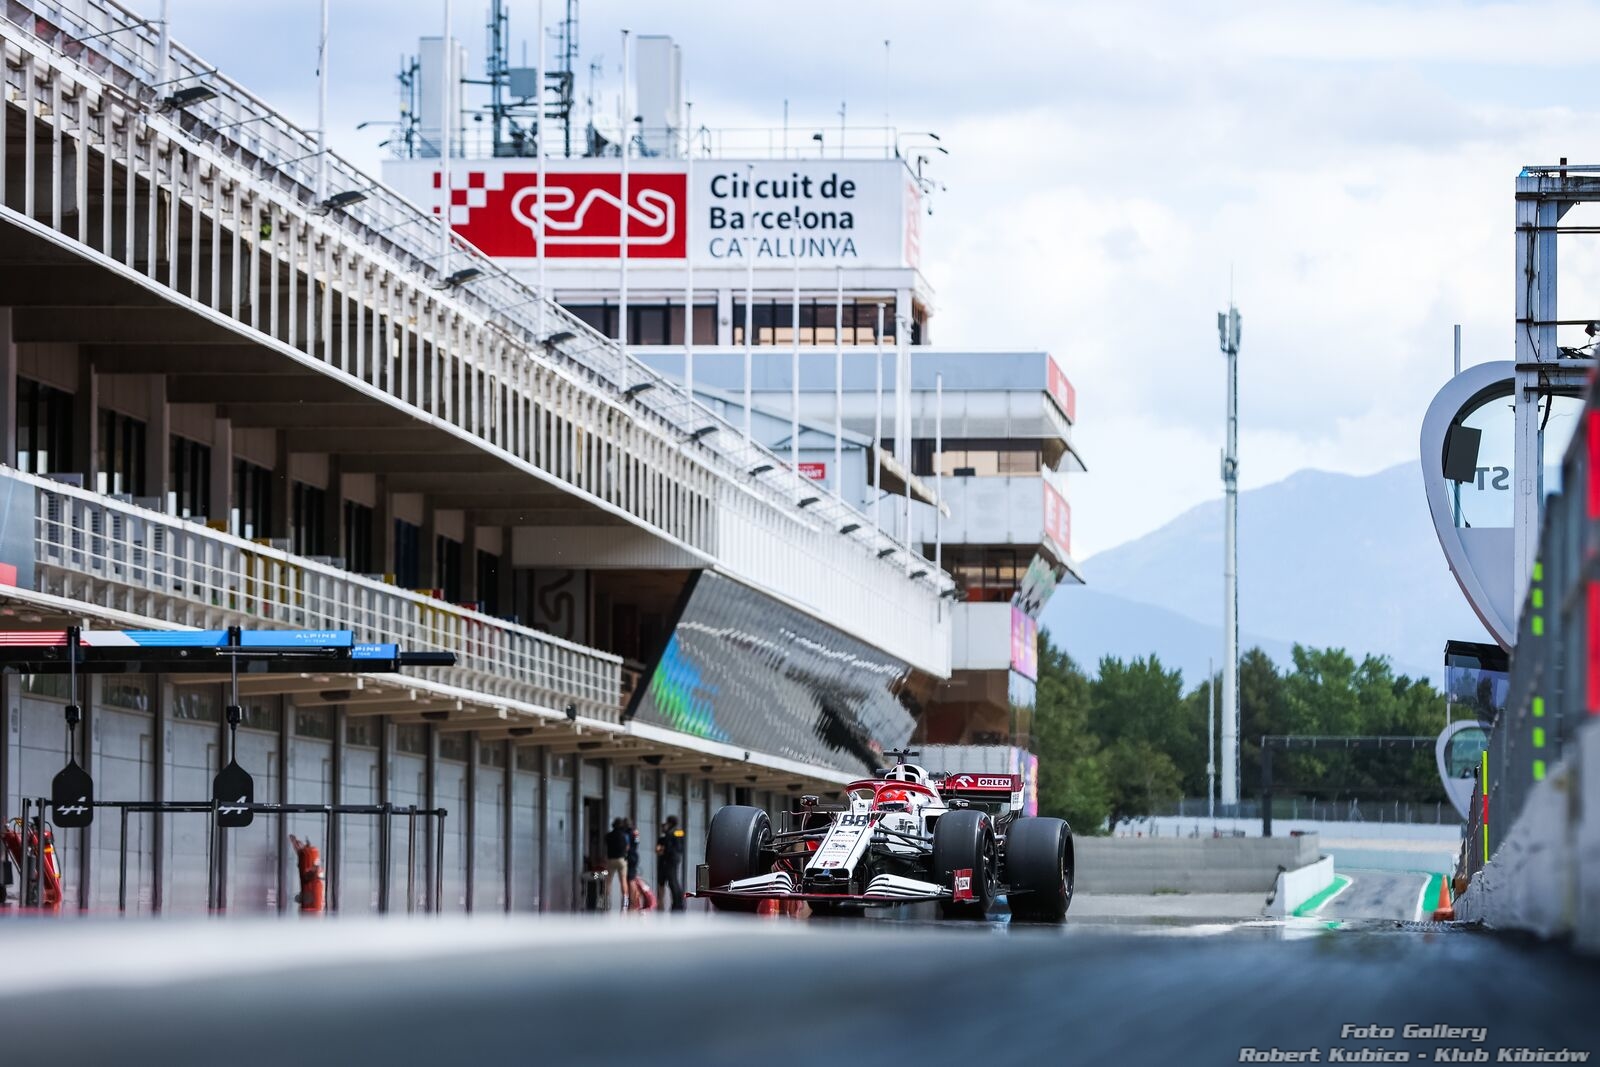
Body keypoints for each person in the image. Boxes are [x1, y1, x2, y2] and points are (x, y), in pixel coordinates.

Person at [656, 814, 686, 912]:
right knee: (675, 881)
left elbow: (667, 848)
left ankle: (677, 904)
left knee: (673, 882)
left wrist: (663, 850)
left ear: (670, 823)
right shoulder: (679, 832)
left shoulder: (670, 833)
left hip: (670, 859)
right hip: (676, 858)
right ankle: (679, 903)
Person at [603, 817, 630, 912]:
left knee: (608, 882)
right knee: (623, 881)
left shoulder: (608, 835)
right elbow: (627, 847)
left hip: (611, 860)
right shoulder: (625, 835)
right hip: (621, 860)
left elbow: (606, 845)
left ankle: (606, 904)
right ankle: (625, 905)